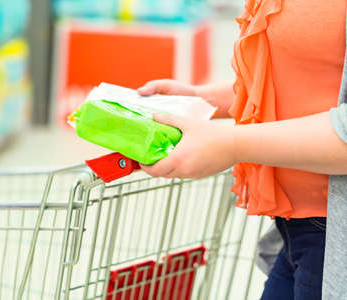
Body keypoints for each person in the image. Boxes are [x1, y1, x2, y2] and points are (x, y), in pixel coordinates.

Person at [136, 0, 347, 299]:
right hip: (297, 232)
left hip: (334, 234)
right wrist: (200, 100)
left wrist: (228, 143)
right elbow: (301, 78)